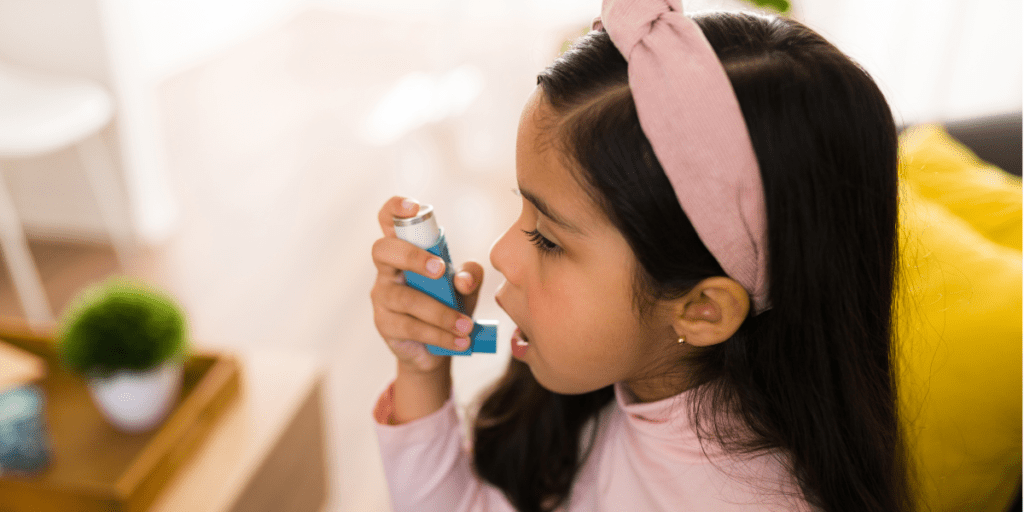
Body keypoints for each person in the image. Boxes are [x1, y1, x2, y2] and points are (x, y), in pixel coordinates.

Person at [369, 1, 912, 511]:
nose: (501, 253)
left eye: (549, 239)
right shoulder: (621, 386)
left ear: (702, 309)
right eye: (524, 211)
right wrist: (423, 370)